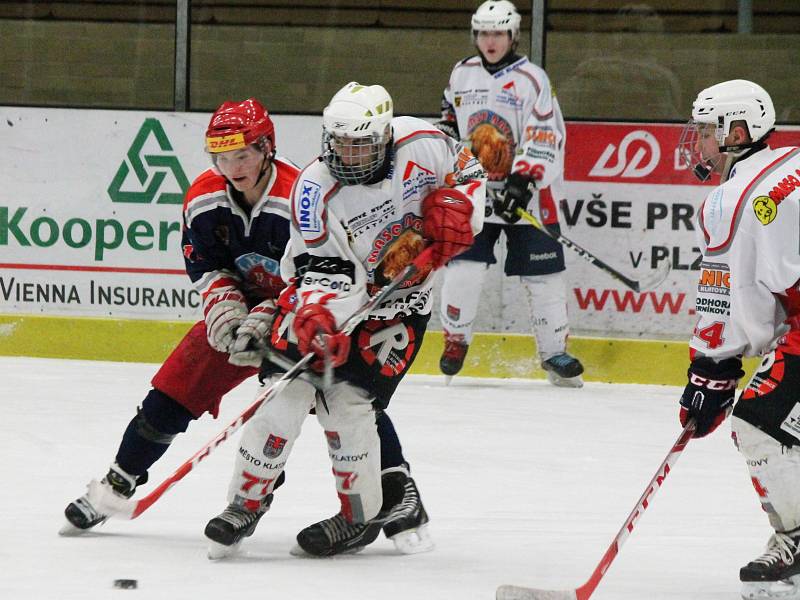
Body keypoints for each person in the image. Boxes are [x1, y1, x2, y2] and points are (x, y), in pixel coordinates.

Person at [60, 99, 422, 543]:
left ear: (267, 147)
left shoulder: (303, 195)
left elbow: (321, 271)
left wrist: (271, 313)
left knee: (341, 393)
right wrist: (225, 309)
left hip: (306, 310)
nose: (233, 166)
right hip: (243, 310)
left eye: (243, 155)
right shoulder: (203, 198)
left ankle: (397, 486)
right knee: (174, 388)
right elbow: (207, 266)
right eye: (222, 157)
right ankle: (117, 484)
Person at [203, 81, 486, 558]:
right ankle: (245, 502)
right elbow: (322, 268)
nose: (348, 155)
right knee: (280, 398)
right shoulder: (314, 189)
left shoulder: (424, 142)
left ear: (384, 137)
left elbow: (470, 173)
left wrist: (465, 213)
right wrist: (319, 316)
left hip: (401, 307)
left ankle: (358, 518)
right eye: (340, 143)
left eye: (360, 144)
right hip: (323, 298)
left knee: (349, 406)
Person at [676, 79, 800, 600]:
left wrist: (714, 369)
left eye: (705, 131)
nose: (697, 143)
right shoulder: (791, 160)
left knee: (758, 419)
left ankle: (795, 538)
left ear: (737, 132)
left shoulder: (731, 200)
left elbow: (734, 302)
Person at [435, 0, 583, 387]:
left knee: (545, 275)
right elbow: (450, 121)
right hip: (476, 194)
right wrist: (455, 167)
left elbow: (546, 133)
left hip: (527, 195)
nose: (490, 41)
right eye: (483, 33)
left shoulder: (532, 78)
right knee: (463, 268)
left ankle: (554, 353)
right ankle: (455, 339)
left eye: (498, 33)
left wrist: (522, 182)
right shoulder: (462, 74)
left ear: (513, 35)